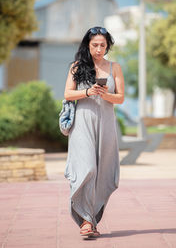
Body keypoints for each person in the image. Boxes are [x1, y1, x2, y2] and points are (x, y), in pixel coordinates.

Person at [63, 26, 124, 238]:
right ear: (87, 46)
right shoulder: (77, 66)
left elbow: (121, 98)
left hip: (106, 123)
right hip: (82, 122)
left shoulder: (115, 67)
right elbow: (68, 94)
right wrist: (88, 92)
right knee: (87, 168)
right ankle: (85, 219)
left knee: (103, 171)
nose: (98, 49)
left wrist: (105, 94)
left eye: (102, 45)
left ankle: (91, 220)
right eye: (94, 45)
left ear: (108, 46)